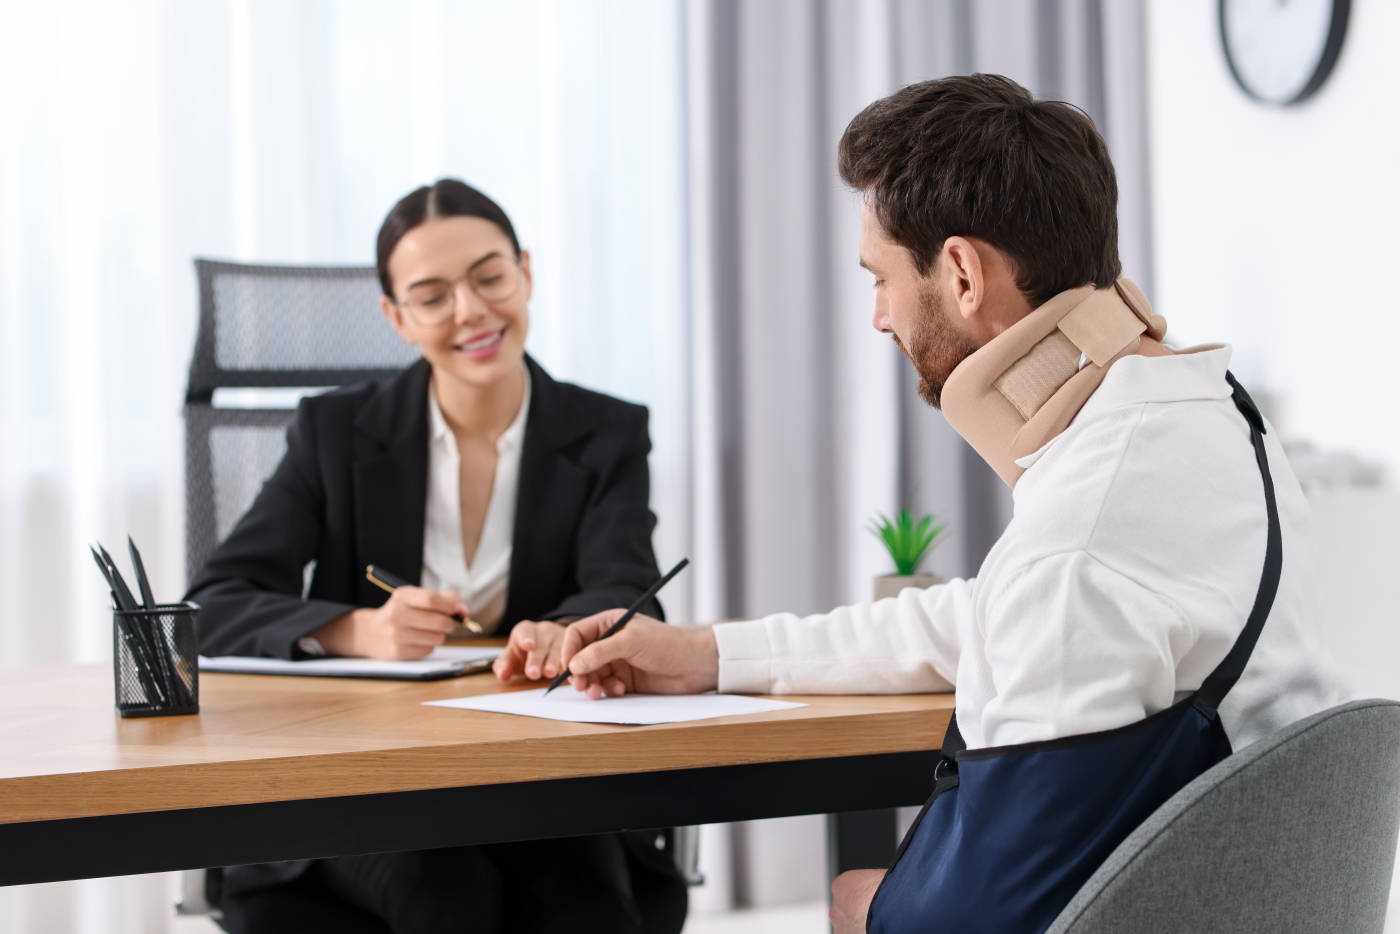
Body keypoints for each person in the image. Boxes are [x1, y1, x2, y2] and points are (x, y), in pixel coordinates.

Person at [556, 75, 1342, 933]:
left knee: (853, 896)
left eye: (881, 279)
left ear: (962, 273)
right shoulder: (1216, 419)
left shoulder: (1079, 543)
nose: (880, 317)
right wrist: (710, 654)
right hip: (1236, 898)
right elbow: (1001, 619)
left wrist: (868, 911)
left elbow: (977, 919)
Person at [187, 178, 686, 934]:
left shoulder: (607, 430)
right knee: (444, 892)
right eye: (432, 295)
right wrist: (357, 630)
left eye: (489, 277)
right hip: (366, 780)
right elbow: (215, 601)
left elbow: (622, 582)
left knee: (587, 907)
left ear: (526, 270)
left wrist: (569, 630)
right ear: (396, 317)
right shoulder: (335, 431)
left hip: (540, 777)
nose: (471, 311)